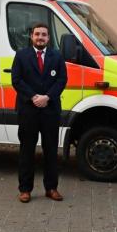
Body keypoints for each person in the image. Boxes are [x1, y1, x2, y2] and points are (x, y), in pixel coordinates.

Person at [11, 22, 68, 203]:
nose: (40, 37)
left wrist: (47, 97)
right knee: (26, 150)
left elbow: (62, 80)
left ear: (48, 38)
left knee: (51, 150)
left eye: (44, 34)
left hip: (50, 110)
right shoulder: (21, 55)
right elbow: (16, 80)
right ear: (32, 36)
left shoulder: (57, 56)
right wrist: (34, 97)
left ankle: (51, 188)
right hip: (28, 110)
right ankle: (25, 190)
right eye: (37, 34)